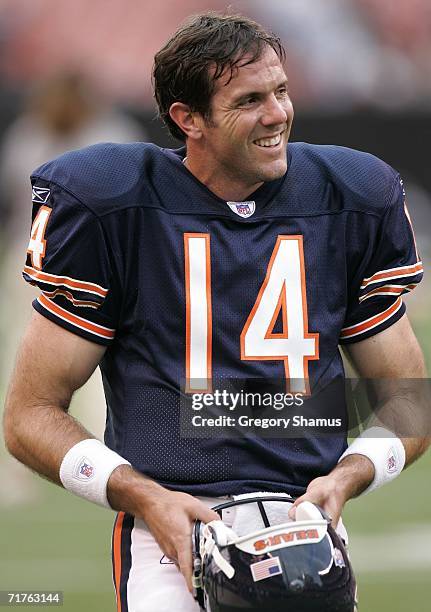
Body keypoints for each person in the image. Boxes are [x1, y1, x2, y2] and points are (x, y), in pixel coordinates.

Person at [3, 12, 429, 612]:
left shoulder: (347, 195)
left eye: (281, 91)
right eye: (249, 99)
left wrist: (346, 476)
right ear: (188, 119)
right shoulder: (114, 204)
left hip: (306, 529)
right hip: (170, 533)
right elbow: (28, 414)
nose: (278, 113)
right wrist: (145, 497)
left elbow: (410, 399)